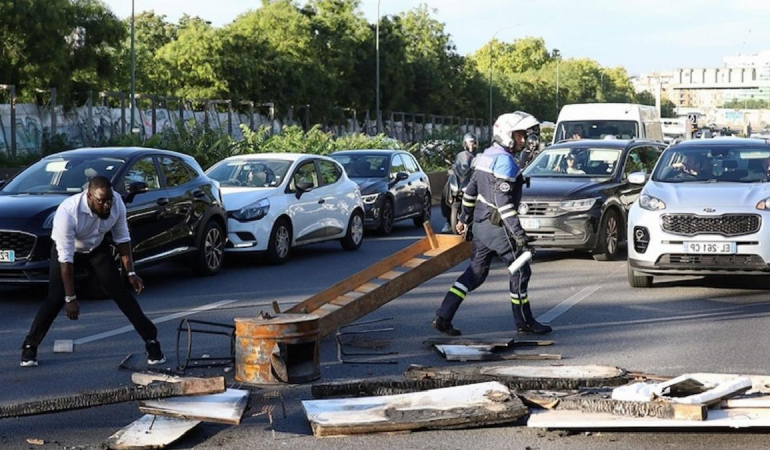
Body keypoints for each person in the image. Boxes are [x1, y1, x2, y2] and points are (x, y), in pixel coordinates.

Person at [20, 176, 165, 367]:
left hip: (97, 248)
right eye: (101, 201)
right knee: (55, 299)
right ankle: (30, 347)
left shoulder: (117, 204)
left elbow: (122, 238)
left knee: (121, 294)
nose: (106, 205)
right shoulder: (68, 211)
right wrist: (70, 298)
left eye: (109, 200)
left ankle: (151, 342)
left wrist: (131, 273)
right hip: (68, 252)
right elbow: (66, 259)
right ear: (89, 196)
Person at [431, 111, 552, 336]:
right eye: (519, 135)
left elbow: (470, 191)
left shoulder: (485, 156)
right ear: (507, 135)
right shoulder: (505, 162)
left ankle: (443, 316)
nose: (523, 140)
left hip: (480, 225)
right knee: (520, 269)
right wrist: (519, 235)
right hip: (498, 227)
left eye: (524, 135)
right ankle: (524, 322)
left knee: (475, 273)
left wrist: (464, 219)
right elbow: (503, 203)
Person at [441, 133, 478, 233]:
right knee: (445, 193)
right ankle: (448, 221)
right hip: (461, 180)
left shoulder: (479, 156)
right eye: (469, 143)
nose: (471, 146)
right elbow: (456, 166)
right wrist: (452, 170)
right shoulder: (460, 155)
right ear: (464, 143)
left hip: (472, 180)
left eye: (473, 143)